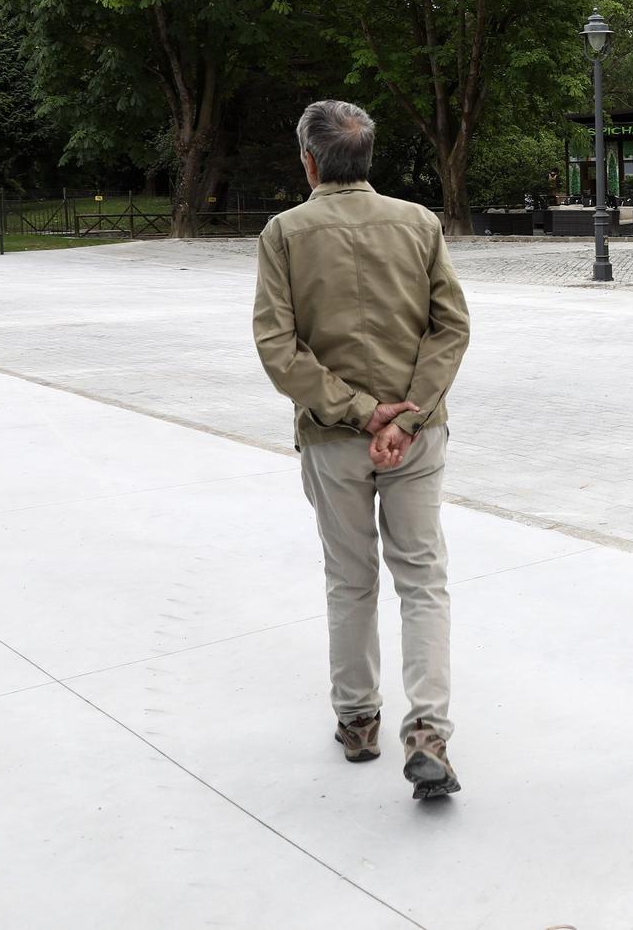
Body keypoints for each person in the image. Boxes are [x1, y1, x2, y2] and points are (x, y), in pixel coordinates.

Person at [252, 99, 472, 801]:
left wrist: (355, 409)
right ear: (367, 158)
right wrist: (405, 416)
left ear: (309, 161)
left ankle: (358, 720)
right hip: (416, 431)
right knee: (422, 578)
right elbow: (451, 328)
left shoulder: (284, 233)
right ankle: (429, 732)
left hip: (332, 437)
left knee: (350, 579)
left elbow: (276, 346)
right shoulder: (419, 223)